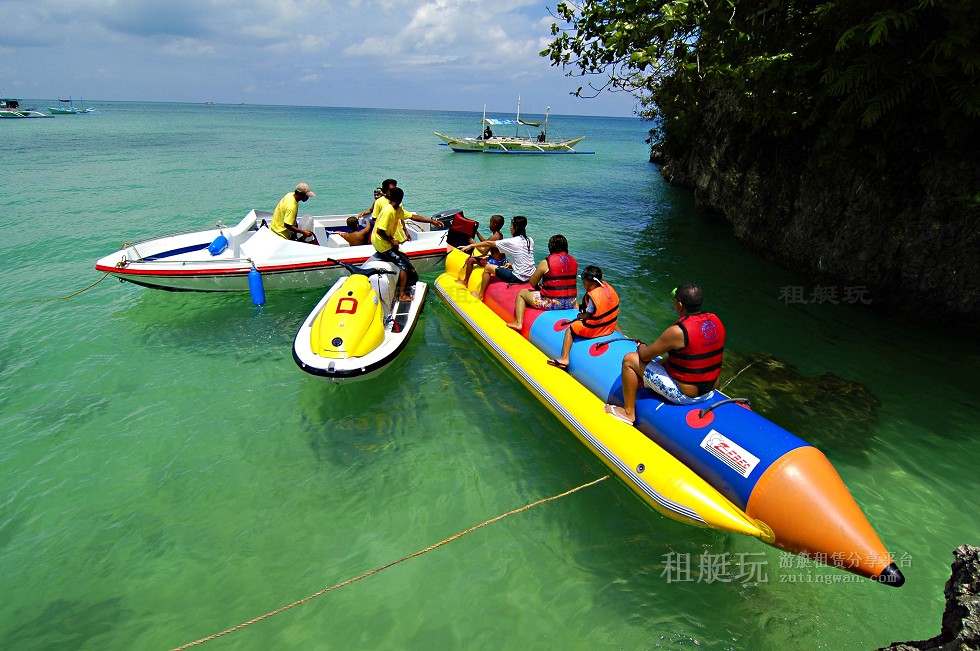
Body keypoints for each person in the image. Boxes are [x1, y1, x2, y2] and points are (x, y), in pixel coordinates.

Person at [604, 284, 726, 424]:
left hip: (686, 396)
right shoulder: (715, 320)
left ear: (680, 305)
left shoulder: (678, 331)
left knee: (629, 360)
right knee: (667, 359)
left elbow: (645, 356)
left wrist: (641, 345)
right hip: (709, 391)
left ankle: (628, 412)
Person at [546, 266, 619, 370]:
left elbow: (587, 315)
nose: (586, 287)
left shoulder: (593, 297)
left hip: (596, 330)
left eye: (590, 285)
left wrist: (579, 316)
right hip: (609, 326)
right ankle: (624, 338)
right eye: (584, 284)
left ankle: (564, 358)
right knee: (609, 318)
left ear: (597, 282)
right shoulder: (607, 289)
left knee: (570, 330)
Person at [506, 234, 577, 330]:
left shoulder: (546, 262)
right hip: (570, 303)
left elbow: (532, 282)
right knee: (573, 298)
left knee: (521, 293)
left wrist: (539, 287)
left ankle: (519, 322)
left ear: (551, 247)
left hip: (551, 303)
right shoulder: (573, 261)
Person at [459, 216, 534, 301]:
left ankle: (480, 295)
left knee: (487, 267)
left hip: (517, 278)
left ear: (515, 228)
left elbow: (488, 244)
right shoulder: (530, 240)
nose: (510, 228)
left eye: (511, 226)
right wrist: (512, 265)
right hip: (530, 276)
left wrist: (472, 245)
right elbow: (523, 257)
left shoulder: (513, 241)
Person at [372, 186, 420, 302]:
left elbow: (413, 216)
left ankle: (404, 285)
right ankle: (402, 295)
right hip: (382, 244)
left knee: (405, 259)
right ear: (401, 199)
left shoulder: (396, 209)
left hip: (385, 241)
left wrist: (432, 221)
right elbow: (380, 231)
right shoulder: (388, 211)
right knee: (403, 266)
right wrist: (392, 241)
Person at [371, 178, 443, 237]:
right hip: (386, 237)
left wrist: (405, 231)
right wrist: (382, 236)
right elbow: (375, 220)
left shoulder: (397, 202)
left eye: (395, 188)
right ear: (385, 190)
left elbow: (407, 216)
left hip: (398, 235)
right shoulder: (379, 202)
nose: (394, 191)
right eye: (391, 190)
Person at [455, 214, 506, 286]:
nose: (489, 225)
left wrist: (474, 244)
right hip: (501, 260)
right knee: (478, 257)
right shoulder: (499, 235)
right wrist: (477, 233)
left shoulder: (494, 237)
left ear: (494, 224)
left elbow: (484, 252)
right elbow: (486, 242)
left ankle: (465, 281)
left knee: (470, 260)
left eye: (490, 223)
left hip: (495, 263)